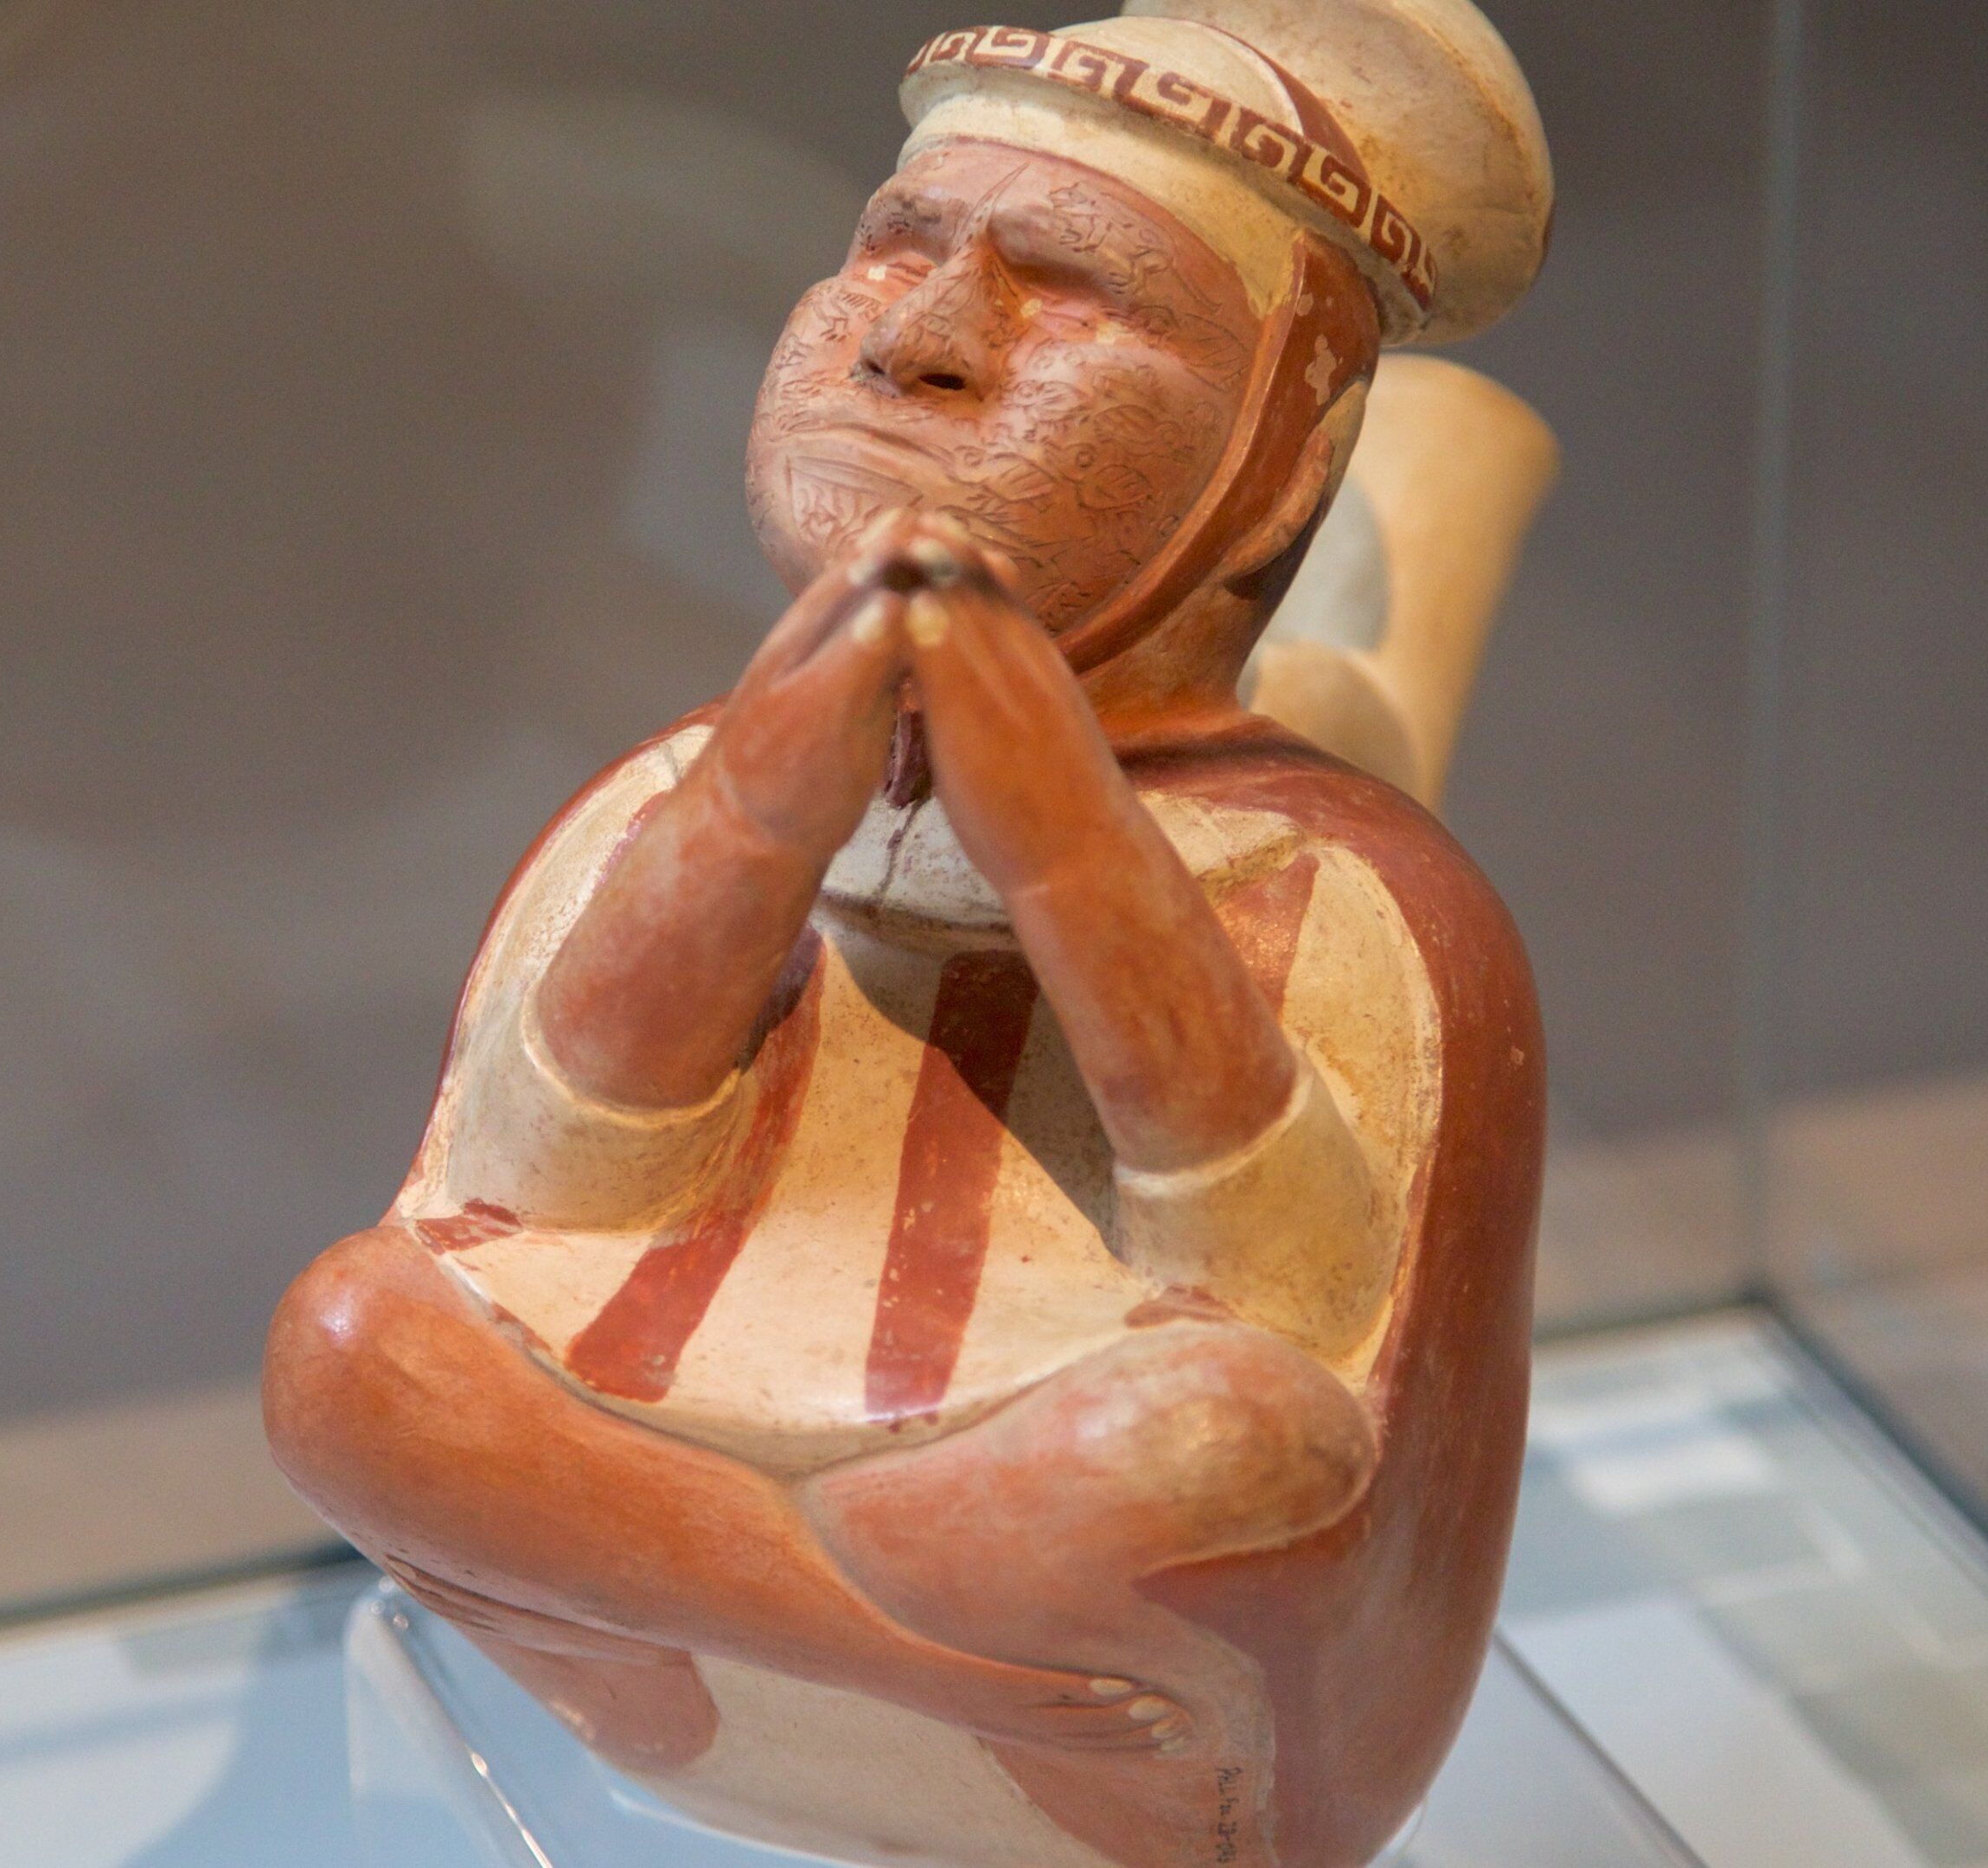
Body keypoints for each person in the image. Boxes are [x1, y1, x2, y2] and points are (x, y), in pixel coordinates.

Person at [267, 7, 1552, 1862]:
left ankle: (706, 1601)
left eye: (1073, 293)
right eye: (891, 243)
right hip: (941, 1614)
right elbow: (535, 1187)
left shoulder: (1342, 877)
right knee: (351, 1343)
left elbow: (1285, 1309)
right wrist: (759, 810)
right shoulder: (673, 787)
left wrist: (1058, 828)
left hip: (990, 1523)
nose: (921, 340)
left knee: (1211, 1458)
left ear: (1288, 454)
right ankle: (856, 1644)